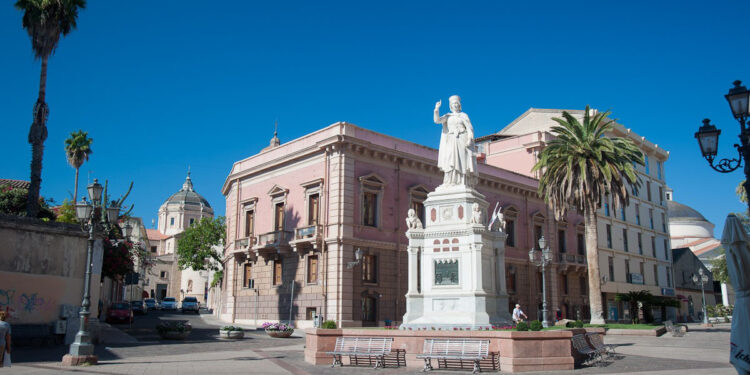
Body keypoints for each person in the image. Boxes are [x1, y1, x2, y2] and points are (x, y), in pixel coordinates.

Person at [433, 95, 478, 186]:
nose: (455, 105)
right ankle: (450, 181)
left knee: (462, 160)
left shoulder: (464, 115)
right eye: (453, 104)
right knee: (450, 159)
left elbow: (470, 129)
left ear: (459, 105)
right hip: (451, 139)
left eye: (457, 103)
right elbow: (437, 120)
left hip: (462, 138)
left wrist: (469, 139)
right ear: (450, 106)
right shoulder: (448, 116)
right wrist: (436, 109)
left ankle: (462, 180)